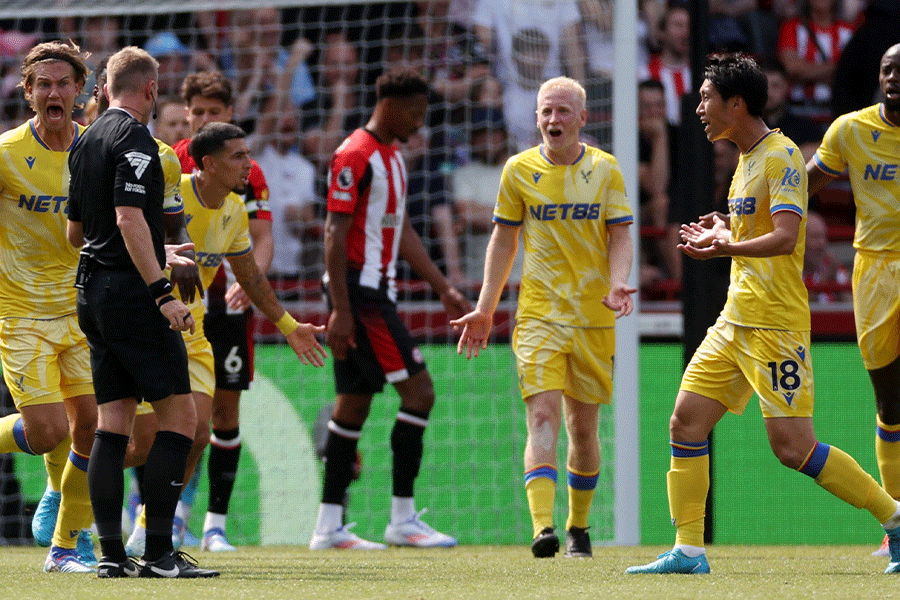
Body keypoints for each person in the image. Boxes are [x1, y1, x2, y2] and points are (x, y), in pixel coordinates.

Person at [626, 52, 900, 575]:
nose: (699, 108)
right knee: (685, 423)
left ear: (736, 103)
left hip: (774, 325)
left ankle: (895, 517)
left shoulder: (780, 156)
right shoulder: (747, 160)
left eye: (706, 98)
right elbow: (756, 227)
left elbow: (786, 237)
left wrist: (725, 246)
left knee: (794, 448)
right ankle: (689, 550)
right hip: (735, 319)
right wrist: (725, 227)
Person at [452, 76, 635, 558]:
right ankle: (542, 528)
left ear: (582, 118)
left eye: (562, 111)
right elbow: (503, 241)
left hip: (593, 317)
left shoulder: (605, 169)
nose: (553, 119)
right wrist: (485, 308)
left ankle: (579, 526)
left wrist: (618, 280)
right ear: (536, 118)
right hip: (539, 315)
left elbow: (620, 235)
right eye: (546, 111)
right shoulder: (518, 170)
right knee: (541, 415)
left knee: (583, 429)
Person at [127, 122, 329, 556]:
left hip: (194, 332)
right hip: (148, 325)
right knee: (138, 444)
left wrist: (290, 327)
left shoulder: (235, 208)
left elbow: (250, 277)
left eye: (248, 154)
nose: (248, 164)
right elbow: (128, 241)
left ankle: (149, 526)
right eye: (238, 156)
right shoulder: (171, 194)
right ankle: (70, 479)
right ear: (209, 164)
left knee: (198, 432)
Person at [66, 45, 218, 578]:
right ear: (150, 89)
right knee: (182, 420)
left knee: (112, 425)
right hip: (133, 296)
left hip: (92, 291)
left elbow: (77, 233)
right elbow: (129, 218)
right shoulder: (136, 141)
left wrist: (158, 249)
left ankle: (112, 556)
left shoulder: (85, 141)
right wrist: (162, 292)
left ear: (105, 87)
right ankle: (158, 554)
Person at [309, 67, 471, 550]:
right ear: (391, 106)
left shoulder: (394, 158)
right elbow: (334, 233)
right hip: (361, 297)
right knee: (419, 394)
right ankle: (402, 519)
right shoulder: (354, 155)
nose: (420, 123)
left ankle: (328, 527)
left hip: (373, 294)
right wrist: (341, 309)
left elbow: (401, 231)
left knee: (353, 405)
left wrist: (443, 288)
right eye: (415, 113)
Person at [0, 40, 97, 573]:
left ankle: (65, 547)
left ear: (80, 90)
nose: (53, 92)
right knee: (47, 433)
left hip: (82, 310)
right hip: (20, 314)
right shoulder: (6, 154)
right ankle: (56, 489)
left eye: (63, 83)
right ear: (28, 92)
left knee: (92, 427)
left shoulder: (96, 149)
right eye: (43, 84)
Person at [169, 70, 274, 552]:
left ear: (230, 114)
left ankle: (212, 525)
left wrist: (250, 285)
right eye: (197, 112)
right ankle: (160, 516)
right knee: (168, 418)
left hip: (226, 307)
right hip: (172, 307)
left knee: (221, 414)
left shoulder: (247, 171)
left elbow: (262, 238)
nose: (204, 119)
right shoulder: (170, 163)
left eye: (214, 111)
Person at [807, 43, 900, 557]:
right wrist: (742, 217)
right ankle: (898, 525)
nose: (894, 78)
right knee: (890, 403)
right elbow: (804, 185)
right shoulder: (851, 130)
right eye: (888, 69)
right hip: (875, 274)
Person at [639, 2, 691, 126]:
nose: (685, 32)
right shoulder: (644, 74)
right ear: (661, 32)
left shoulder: (705, 74)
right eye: (678, 26)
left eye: (689, 26)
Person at [802, 210, 850, 303]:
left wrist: (836, 284)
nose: (822, 243)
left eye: (823, 237)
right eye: (815, 237)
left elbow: (849, 306)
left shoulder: (834, 268)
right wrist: (821, 283)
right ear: (800, 242)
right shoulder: (790, 273)